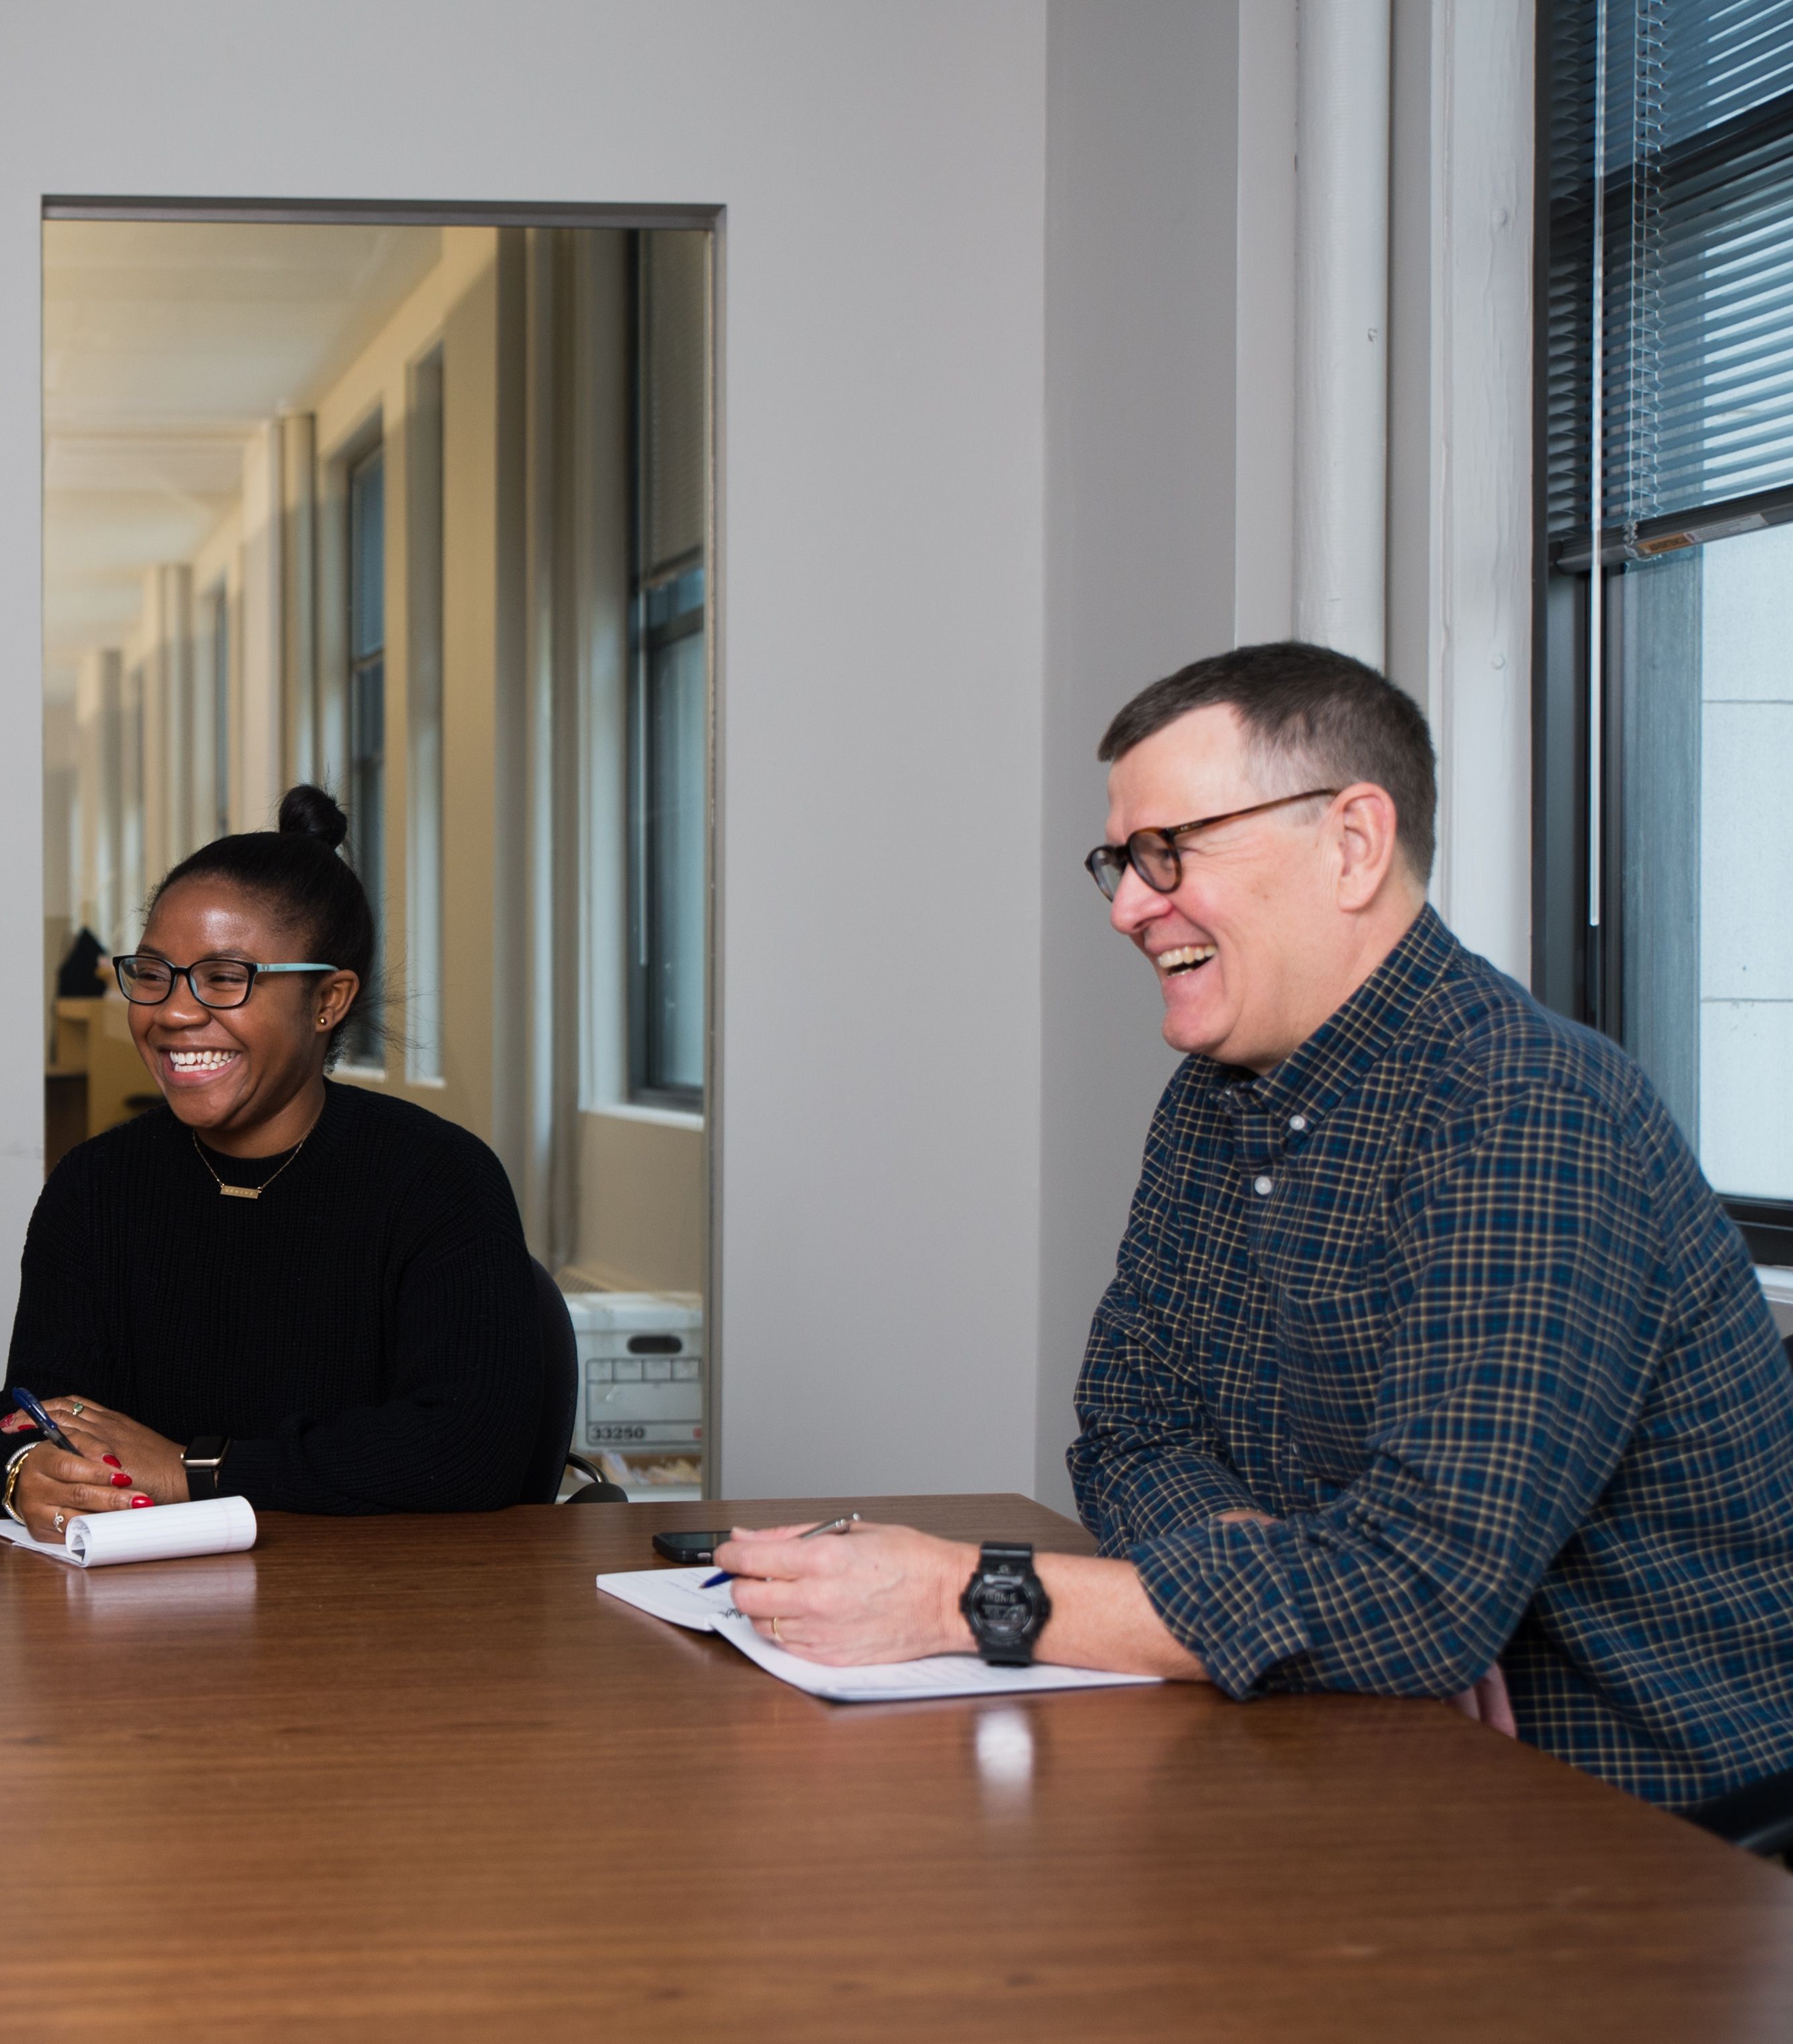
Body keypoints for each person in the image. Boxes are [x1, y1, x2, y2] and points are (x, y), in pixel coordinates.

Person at [718, 642, 1793, 1811]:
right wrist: (1289, 1580)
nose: (1130, 906)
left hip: (1641, 1835)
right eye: (1120, 861)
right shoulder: (1215, 1099)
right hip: (1354, 1765)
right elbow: (1126, 1429)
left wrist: (958, 1595)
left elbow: (1418, 1596)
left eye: (1167, 850)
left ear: (1351, 843)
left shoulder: (1522, 1106)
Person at [0, 784, 558, 1534]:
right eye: (153, 974)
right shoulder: (96, 1186)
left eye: (224, 978)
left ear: (329, 1001)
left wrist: (195, 1469)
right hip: (144, 1621)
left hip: (381, 1618)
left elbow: (470, 1450)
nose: (174, 1012)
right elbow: (30, 1416)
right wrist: (26, 1474)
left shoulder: (437, 1180)